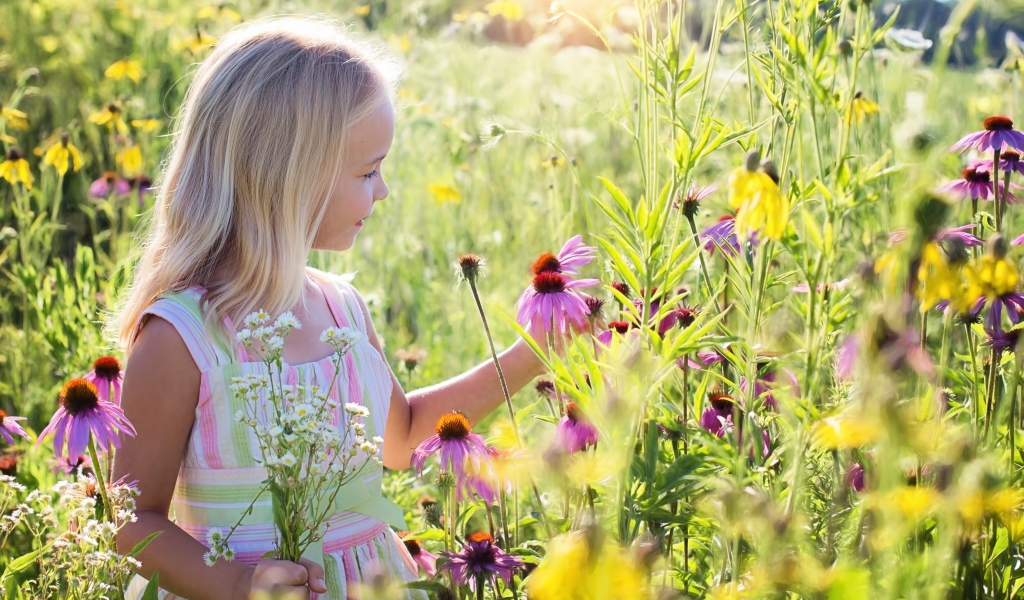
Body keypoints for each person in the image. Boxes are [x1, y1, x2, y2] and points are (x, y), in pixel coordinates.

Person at [110, 17, 548, 600]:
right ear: (288, 178)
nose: (384, 191)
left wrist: (535, 353)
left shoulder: (343, 308)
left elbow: (404, 437)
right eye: (368, 172)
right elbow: (131, 521)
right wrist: (240, 583)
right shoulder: (183, 338)